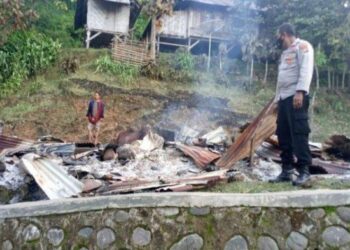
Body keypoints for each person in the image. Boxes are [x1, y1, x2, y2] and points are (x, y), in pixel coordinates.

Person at [270, 23, 314, 186]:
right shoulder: (285, 53)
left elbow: (306, 69)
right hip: (284, 98)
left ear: (285, 34)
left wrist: (300, 91)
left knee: (299, 133)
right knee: (283, 135)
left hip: (296, 98)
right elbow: (281, 80)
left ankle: (304, 172)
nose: (279, 40)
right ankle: (286, 171)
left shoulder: (303, 47)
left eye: (280, 36)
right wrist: (276, 100)